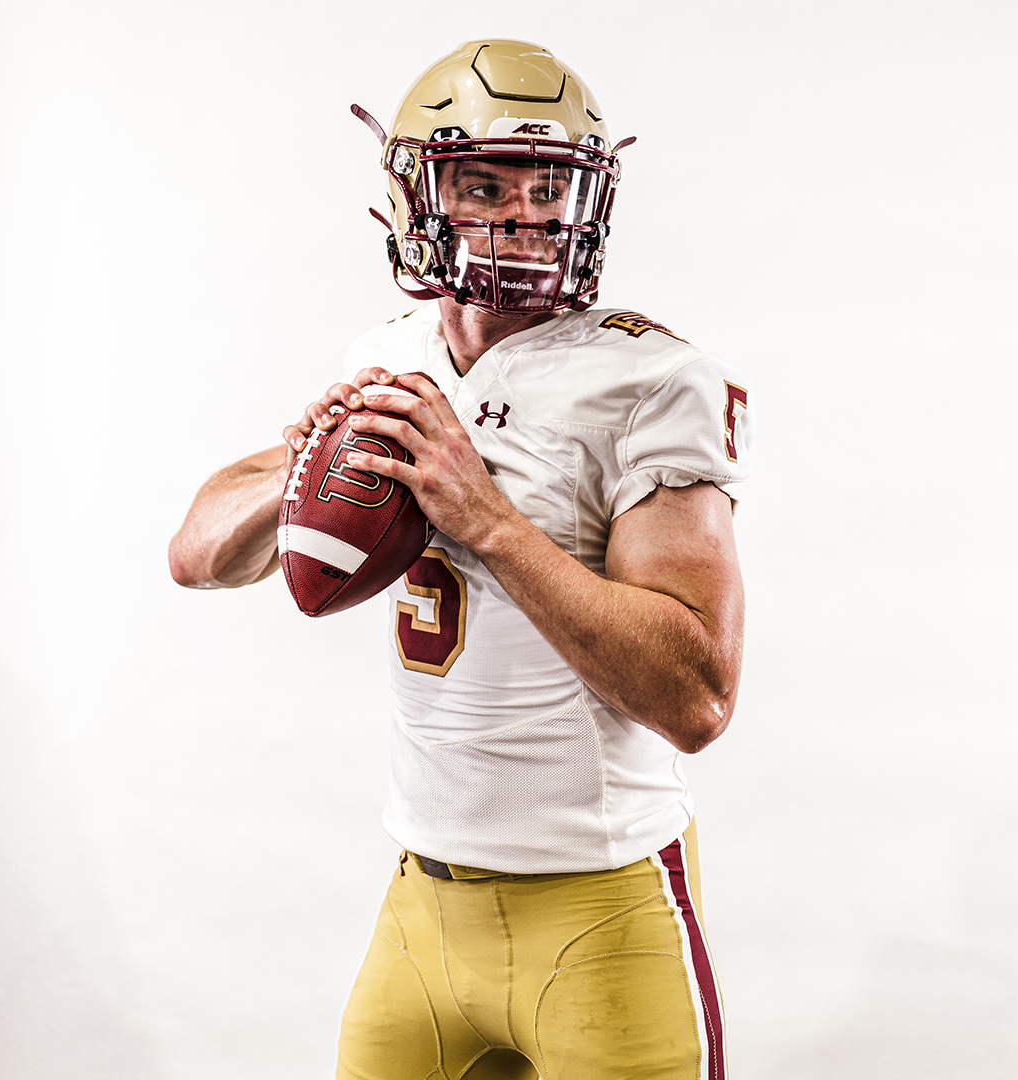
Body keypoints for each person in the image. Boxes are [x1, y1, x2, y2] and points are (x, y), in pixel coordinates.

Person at [170, 39, 753, 1080]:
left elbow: (697, 696)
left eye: (547, 185)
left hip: (603, 911)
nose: (526, 215)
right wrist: (301, 464)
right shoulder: (387, 359)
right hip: (421, 910)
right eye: (486, 185)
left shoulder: (652, 380)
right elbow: (196, 554)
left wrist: (488, 520)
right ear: (414, 194)